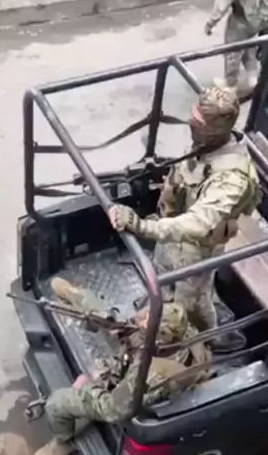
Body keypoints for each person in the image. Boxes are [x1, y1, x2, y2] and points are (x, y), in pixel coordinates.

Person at [109, 85, 260, 334]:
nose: (191, 125)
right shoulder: (205, 146)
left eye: (198, 123)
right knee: (162, 277)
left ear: (215, 130)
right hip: (171, 231)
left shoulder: (232, 177)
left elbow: (198, 224)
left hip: (196, 248)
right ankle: (159, 309)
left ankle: (201, 341)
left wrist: (141, 226)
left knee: (191, 306)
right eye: (193, 118)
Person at [33, 280, 211, 455]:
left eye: (147, 322)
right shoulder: (180, 330)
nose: (142, 319)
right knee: (108, 318)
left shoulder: (149, 374)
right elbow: (131, 327)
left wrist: (88, 389)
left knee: (56, 404)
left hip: (132, 395)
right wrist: (116, 325)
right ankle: (75, 294)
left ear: (156, 338)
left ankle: (64, 441)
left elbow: (114, 409)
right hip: (142, 359)